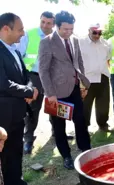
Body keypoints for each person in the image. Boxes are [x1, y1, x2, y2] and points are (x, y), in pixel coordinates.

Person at [38, 10, 91, 170]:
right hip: (57, 94)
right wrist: (50, 94)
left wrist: (82, 84)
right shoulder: (47, 42)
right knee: (59, 127)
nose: (69, 32)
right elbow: (43, 70)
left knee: (81, 121)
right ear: (57, 26)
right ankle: (66, 156)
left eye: (71, 29)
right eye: (65, 29)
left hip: (75, 89)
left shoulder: (74, 40)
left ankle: (85, 150)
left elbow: (79, 62)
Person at [0, 12, 38, 185]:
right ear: (6, 29)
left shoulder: (14, 50)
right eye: (20, 29)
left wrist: (30, 88)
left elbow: (26, 75)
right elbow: (3, 83)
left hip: (17, 113)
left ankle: (16, 180)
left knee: (15, 151)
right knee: (5, 154)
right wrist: (29, 92)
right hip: (3, 116)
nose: (23, 33)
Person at [16, 11, 55, 155]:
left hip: (51, 77)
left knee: (54, 106)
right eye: (43, 22)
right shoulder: (29, 34)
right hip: (34, 76)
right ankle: (28, 139)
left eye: (48, 23)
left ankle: (56, 133)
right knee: (33, 108)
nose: (45, 25)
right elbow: (19, 55)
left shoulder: (56, 37)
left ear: (53, 24)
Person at [79, 23, 111, 131]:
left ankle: (103, 124)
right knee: (85, 104)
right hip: (87, 78)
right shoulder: (81, 43)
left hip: (103, 76)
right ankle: (84, 126)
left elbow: (108, 58)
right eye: (94, 32)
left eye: (99, 33)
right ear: (89, 31)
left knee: (103, 102)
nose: (97, 35)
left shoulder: (106, 44)